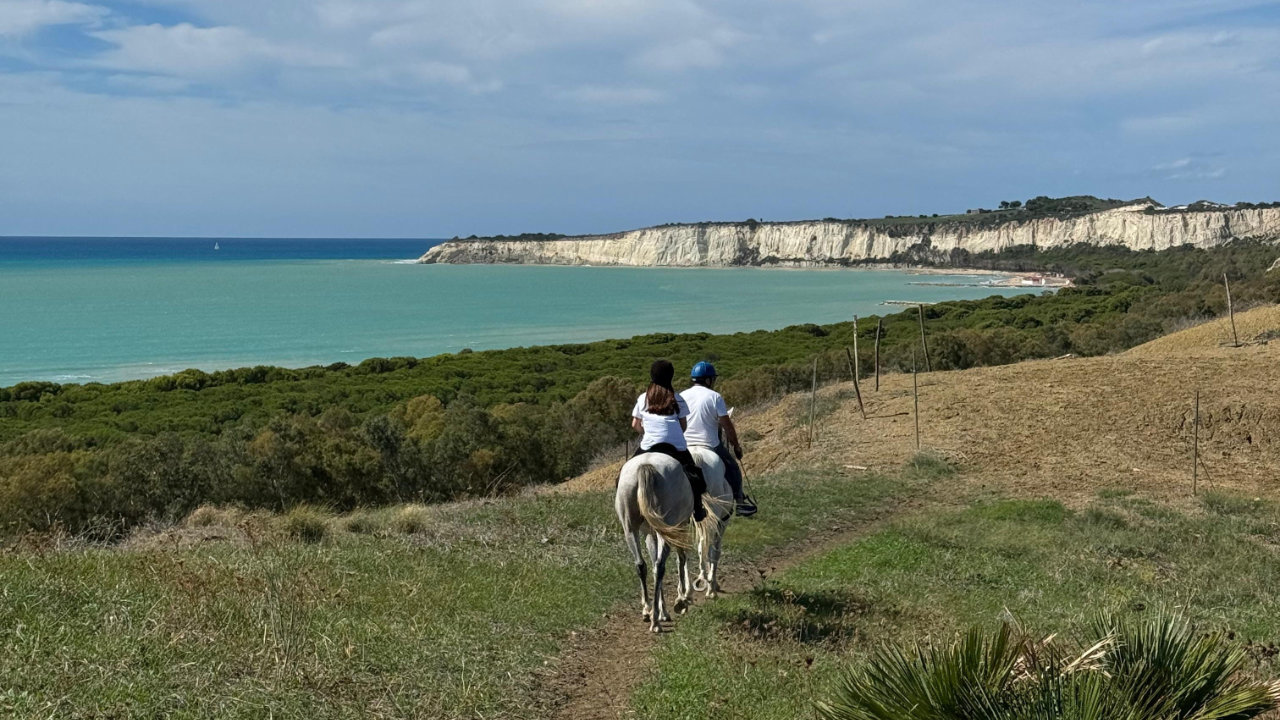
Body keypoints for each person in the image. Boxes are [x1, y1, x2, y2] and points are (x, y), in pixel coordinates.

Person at [631, 359, 708, 521]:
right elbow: (683, 426)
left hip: (649, 445)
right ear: (670, 377)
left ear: (652, 375)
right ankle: (698, 509)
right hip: (676, 446)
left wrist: (646, 432)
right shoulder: (677, 398)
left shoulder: (643, 398)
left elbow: (635, 424)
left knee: (625, 472)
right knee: (695, 476)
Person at [680, 361, 758, 517]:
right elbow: (727, 425)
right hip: (710, 444)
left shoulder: (681, 396)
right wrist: (736, 446)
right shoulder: (715, 397)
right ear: (709, 380)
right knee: (733, 468)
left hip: (684, 446)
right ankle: (740, 502)